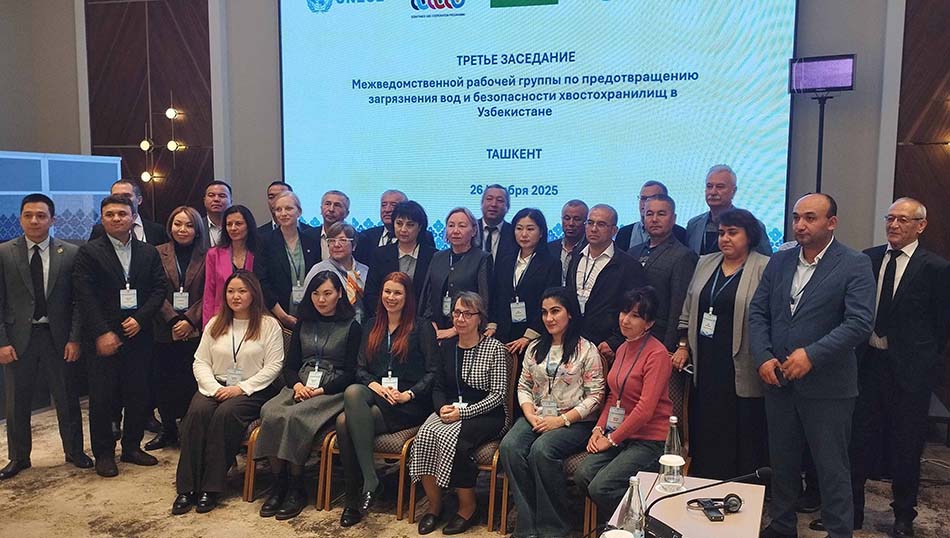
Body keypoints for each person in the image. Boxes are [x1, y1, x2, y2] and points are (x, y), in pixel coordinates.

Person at [749, 193, 875, 538]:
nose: (800, 225)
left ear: (831, 223)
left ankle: (839, 532)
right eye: (796, 217)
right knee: (783, 462)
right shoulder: (780, 261)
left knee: (831, 467)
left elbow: (859, 323)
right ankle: (782, 526)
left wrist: (812, 355)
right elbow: (758, 312)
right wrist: (763, 356)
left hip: (828, 386)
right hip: (779, 381)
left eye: (810, 218)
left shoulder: (854, 263)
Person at [848, 198, 950, 537]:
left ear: (920, 226)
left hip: (910, 372)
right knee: (858, 439)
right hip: (868, 365)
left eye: (903, 220)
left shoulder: (935, 268)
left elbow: (941, 324)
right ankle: (852, 510)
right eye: (890, 218)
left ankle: (904, 515)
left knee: (907, 444)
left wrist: (924, 362)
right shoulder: (868, 258)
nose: (893, 225)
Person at [172, 271, 284, 515]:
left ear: (254, 294)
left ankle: (210, 488)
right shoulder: (215, 323)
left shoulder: (269, 325)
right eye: (231, 291)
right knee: (196, 413)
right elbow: (200, 361)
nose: (236, 296)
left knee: (226, 414)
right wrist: (214, 388)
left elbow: (274, 367)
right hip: (215, 386)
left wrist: (240, 388)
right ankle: (187, 488)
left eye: (242, 291)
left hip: (253, 389)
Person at [498, 287, 605, 538]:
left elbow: (596, 396)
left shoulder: (586, 349)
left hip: (575, 421)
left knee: (542, 449)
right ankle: (527, 525)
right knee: (509, 446)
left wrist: (561, 420)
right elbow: (523, 386)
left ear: (570, 313)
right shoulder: (535, 347)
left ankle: (553, 528)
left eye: (555, 311)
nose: (549, 318)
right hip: (536, 415)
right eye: (545, 312)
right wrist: (529, 414)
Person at [670, 208, 769, 479]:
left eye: (733, 233)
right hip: (705, 359)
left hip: (742, 360)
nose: (725, 238)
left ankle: (742, 488)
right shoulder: (706, 262)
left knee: (743, 429)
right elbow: (688, 307)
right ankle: (707, 481)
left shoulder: (764, 266)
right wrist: (683, 345)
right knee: (707, 425)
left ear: (749, 236)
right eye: (722, 233)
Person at [254, 270, 361, 520]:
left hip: (332, 389)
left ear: (339, 295)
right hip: (301, 383)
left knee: (295, 417)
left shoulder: (352, 326)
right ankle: (279, 483)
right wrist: (298, 386)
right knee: (270, 411)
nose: (321, 299)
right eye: (315, 293)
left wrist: (322, 390)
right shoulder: (303, 323)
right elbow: (290, 366)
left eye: (327, 293)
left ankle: (297, 486)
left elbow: (352, 373)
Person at [73, 195, 166, 477]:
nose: (116, 218)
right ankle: (103, 453)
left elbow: (159, 289)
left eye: (122, 214)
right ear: (102, 218)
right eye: (110, 214)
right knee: (102, 397)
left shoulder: (148, 252)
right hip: (103, 337)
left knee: (138, 393)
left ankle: (132, 447)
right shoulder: (89, 252)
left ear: (133, 217)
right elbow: (84, 296)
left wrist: (140, 319)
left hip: (139, 334)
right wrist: (103, 332)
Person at [0, 194, 91, 480]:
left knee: (67, 397)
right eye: (28, 215)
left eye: (41, 216)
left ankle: (74, 451)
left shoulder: (71, 252)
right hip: (18, 338)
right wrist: (2, 342)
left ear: (53, 219)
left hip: (58, 337)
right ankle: (19, 457)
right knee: (17, 402)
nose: (34, 221)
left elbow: (78, 302)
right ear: (20, 219)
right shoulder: (4, 253)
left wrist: (75, 338)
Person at [337, 272, 439, 527]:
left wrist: (408, 394)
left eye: (397, 293)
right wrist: (376, 386)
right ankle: (370, 480)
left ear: (408, 297)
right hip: (377, 393)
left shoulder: (422, 327)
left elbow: (433, 372)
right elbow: (360, 368)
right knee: (353, 391)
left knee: (343, 423)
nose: (391, 297)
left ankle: (353, 497)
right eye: (387, 291)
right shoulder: (372, 325)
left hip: (408, 402)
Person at [409, 292, 509, 535]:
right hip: (451, 408)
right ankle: (435, 506)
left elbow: (498, 395)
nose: (460, 319)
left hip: (488, 413)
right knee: (424, 437)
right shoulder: (447, 347)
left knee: (457, 441)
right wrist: (441, 407)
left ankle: (467, 507)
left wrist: (463, 414)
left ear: (479, 318)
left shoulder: (495, 349)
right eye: (456, 313)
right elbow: (438, 386)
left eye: (467, 314)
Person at [574, 287, 673, 516]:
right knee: (583, 474)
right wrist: (598, 429)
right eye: (624, 312)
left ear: (649, 323)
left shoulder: (657, 354)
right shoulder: (622, 348)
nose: (625, 320)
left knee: (601, 487)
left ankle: (645, 521)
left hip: (650, 440)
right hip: (622, 435)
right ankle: (619, 523)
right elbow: (613, 396)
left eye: (635, 316)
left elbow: (645, 410)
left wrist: (611, 439)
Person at [146, 206, 207, 451]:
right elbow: (153, 289)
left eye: (189, 225)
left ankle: (189, 430)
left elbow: (210, 292)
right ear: (170, 226)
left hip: (196, 329)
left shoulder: (208, 254)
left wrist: (190, 320)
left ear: (197, 229)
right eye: (177, 224)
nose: (183, 229)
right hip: (164, 328)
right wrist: (173, 320)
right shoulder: (156, 252)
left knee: (191, 380)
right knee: (163, 381)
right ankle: (168, 429)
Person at [565, 204, 647, 364]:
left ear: (614, 230)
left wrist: (615, 341)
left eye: (601, 224)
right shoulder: (575, 256)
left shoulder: (628, 266)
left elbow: (634, 309)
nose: (594, 229)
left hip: (606, 346)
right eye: (590, 223)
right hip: (572, 340)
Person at [489, 208, 561, 357]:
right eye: (519, 228)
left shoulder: (551, 264)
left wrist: (529, 336)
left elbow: (549, 302)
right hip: (502, 332)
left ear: (541, 232)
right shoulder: (505, 260)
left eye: (530, 229)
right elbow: (496, 295)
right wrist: (492, 324)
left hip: (533, 337)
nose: (524, 234)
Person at [629, 194, 697, 352]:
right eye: (649, 214)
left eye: (661, 214)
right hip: (629, 336)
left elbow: (678, 306)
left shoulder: (683, 256)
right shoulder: (633, 252)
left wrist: (669, 347)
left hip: (659, 339)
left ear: (673, 219)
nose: (654, 219)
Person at [419, 207, 493, 341]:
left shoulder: (482, 258)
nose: (455, 231)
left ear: (474, 230)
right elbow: (428, 295)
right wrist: (431, 325)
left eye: (462, 226)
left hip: (467, 331)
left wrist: (454, 330)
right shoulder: (438, 256)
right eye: (451, 225)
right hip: (436, 330)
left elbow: (484, 300)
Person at [254, 191, 321, 329]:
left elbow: (318, 276)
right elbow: (261, 280)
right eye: (278, 210)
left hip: (310, 313)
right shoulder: (265, 241)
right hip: (276, 315)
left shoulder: (311, 241)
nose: (283, 213)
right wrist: (281, 315)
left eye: (289, 208)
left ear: (299, 212)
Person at [364, 200, 436, 310]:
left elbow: (433, 296)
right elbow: (371, 293)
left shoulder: (433, 256)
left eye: (410, 225)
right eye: (399, 223)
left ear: (420, 227)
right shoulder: (380, 254)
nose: (403, 229)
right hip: (386, 316)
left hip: (421, 318)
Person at [685, 165, 772, 256]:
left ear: (733, 191)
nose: (713, 192)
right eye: (709, 186)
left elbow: (765, 261)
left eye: (720, 187)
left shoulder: (752, 225)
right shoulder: (694, 225)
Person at [202, 205, 258, 328]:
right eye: (229, 224)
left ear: (248, 226)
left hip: (253, 317)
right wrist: (207, 326)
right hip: (221, 317)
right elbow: (209, 293)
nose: (233, 228)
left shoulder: (258, 253)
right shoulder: (214, 254)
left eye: (238, 224)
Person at [305, 222, 369, 323]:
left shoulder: (365, 270)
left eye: (342, 240)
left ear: (354, 245)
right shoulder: (318, 270)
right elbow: (306, 303)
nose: (336, 245)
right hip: (329, 326)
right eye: (331, 240)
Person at [88, 179, 167, 246]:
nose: (121, 199)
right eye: (116, 196)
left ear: (139, 200)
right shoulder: (100, 230)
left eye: (126, 196)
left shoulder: (157, 230)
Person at [615, 181, 687, 251]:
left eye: (653, 197)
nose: (647, 203)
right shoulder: (624, 233)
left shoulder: (680, 233)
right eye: (643, 198)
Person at [547, 199, 588, 285]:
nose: (571, 223)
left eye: (577, 219)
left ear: (586, 222)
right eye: (567, 218)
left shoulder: (590, 249)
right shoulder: (549, 248)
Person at [474, 184, 517, 263]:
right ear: (482, 204)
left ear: (507, 207)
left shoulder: (514, 233)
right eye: (489, 199)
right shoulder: (471, 229)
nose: (493, 204)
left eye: (500, 200)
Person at [317, 190, 351, 260]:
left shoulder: (358, 239)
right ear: (321, 209)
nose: (331, 209)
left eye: (337, 205)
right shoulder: (308, 236)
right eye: (327, 204)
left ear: (347, 213)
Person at [203, 180, 233, 247]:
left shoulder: (239, 227)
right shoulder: (196, 227)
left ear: (231, 201)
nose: (216, 199)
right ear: (204, 201)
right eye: (211, 195)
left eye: (222, 196)